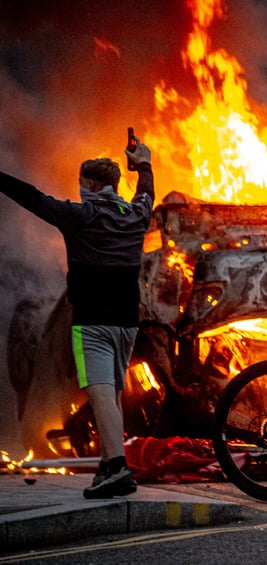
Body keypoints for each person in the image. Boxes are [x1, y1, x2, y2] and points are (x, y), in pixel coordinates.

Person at [0, 136, 154, 499]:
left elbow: (34, 198)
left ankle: (117, 468)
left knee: (99, 393)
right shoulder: (136, 214)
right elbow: (147, 190)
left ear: (88, 185)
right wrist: (143, 163)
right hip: (127, 323)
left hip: (94, 323)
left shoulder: (79, 216)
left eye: (81, 184)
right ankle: (108, 466)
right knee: (112, 393)